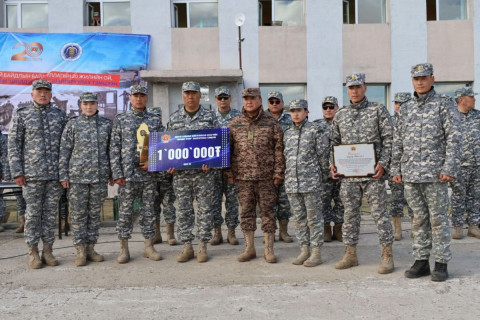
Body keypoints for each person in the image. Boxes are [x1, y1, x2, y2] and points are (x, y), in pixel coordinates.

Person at [391, 63, 462, 282]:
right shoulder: (406, 108)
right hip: (411, 174)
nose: (420, 82)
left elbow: (454, 137)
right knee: (418, 219)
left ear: (432, 78)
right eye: (416, 78)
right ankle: (421, 261)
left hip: (435, 174)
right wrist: (396, 168)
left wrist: (449, 168)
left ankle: (441, 262)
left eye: (424, 77)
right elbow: (398, 140)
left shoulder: (444, 104)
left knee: (438, 219)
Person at [330, 72, 394, 274]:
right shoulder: (341, 114)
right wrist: (333, 164)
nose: (355, 91)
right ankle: (350, 254)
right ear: (346, 89)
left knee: (379, 214)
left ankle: (387, 255)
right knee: (349, 215)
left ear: (364, 87)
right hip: (348, 177)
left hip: (372, 175)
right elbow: (333, 142)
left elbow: (389, 139)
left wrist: (383, 163)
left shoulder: (378, 110)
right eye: (351, 87)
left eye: (358, 87)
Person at [8, 80, 67, 269]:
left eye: (46, 92)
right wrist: (17, 171)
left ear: (51, 94)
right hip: (31, 175)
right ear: (32, 94)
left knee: (50, 215)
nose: (43, 95)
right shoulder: (22, 115)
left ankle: (48, 251)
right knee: (33, 214)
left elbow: (66, 147)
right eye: (39, 91)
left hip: (54, 175)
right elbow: (14, 145)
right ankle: (33, 252)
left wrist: (64, 173)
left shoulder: (59, 116)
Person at [225, 88, 285, 263]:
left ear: (260, 100)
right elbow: (227, 151)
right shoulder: (234, 123)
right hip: (243, 177)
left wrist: (278, 172)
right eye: (246, 98)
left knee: (268, 213)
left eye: (252, 98)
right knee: (246, 213)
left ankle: (268, 249)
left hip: (266, 177)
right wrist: (229, 172)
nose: (249, 101)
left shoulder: (272, 123)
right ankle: (249, 248)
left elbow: (279, 150)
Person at [110, 84, 164, 264]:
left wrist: (153, 163)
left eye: (142, 95)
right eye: (135, 96)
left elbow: (162, 146)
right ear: (130, 98)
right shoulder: (121, 119)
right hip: (127, 175)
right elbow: (114, 147)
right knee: (125, 212)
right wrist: (117, 173)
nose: (139, 99)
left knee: (148, 211)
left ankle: (149, 246)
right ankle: (123, 248)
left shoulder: (155, 120)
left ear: (146, 98)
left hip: (148, 175)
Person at [166, 81, 219, 263]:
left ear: (199, 95)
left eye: (194, 93)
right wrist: (169, 163)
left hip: (204, 174)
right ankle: (187, 246)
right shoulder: (174, 118)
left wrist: (212, 161)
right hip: (181, 175)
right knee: (184, 210)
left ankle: (203, 246)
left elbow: (219, 143)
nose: (190, 96)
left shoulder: (211, 117)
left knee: (205, 209)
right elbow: (168, 145)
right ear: (182, 95)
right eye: (187, 93)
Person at [59, 92, 112, 267]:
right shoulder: (72, 125)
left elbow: (111, 152)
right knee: (79, 215)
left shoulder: (106, 125)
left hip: (99, 177)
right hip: (77, 178)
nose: (89, 107)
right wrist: (64, 175)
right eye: (85, 103)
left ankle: (91, 248)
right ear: (80, 105)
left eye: (92, 103)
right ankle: (80, 250)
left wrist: (112, 174)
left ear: (97, 105)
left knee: (94, 215)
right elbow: (65, 151)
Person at [284, 99, 327, 267]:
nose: (295, 113)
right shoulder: (287, 133)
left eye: (299, 110)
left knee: (314, 218)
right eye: (292, 111)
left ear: (307, 112)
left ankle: (316, 252)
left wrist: (320, 178)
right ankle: (304, 249)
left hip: (311, 182)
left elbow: (323, 156)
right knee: (300, 218)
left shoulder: (316, 130)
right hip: (292, 183)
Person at [210, 86, 241, 246]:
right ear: (215, 100)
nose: (222, 100)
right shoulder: (209, 117)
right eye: (219, 98)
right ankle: (217, 232)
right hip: (213, 167)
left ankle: (231, 232)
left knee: (232, 201)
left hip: (232, 165)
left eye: (225, 97)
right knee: (214, 200)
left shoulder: (238, 117)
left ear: (230, 99)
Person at [449, 87, 480, 240]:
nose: (474, 100)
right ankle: (457, 227)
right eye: (471, 97)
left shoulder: (478, 116)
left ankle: (474, 226)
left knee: (476, 196)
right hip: (459, 164)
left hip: (477, 163)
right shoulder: (451, 116)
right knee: (458, 196)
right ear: (462, 99)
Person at [314, 96, 344, 242]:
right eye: (325, 107)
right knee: (323, 201)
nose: (328, 110)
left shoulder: (345, 124)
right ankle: (326, 228)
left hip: (342, 171)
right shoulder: (316, 126)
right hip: (323, 172)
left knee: (341, 201)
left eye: (331, 107)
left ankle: (338, 228)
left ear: (337, 108)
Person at [266, 91, 293, 243]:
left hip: (287, 166)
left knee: (284, 201)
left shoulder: (290, 119)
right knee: (268, 202)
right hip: (267, 167)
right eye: (272, 102)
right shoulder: (261, 119)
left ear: (282, 103)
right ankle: (270, 233)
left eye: (277, 102)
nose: (274, 104)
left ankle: (284, 231)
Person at [149, 107, 177, 246]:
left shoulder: (169, 134)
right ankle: (157, 234)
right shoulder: (146, 137)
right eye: (153, 116)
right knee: (154, 206)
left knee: (168, 205)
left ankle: (170, 235)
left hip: (167, 177)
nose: (156, 119)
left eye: (158, 116)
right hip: (152, 178)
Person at [388, 92, 414, 241]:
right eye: (397, 103)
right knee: (396, 199)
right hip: (395, 167)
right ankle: (397, 229)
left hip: (412, 166)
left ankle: (414, 228)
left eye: (402, 103)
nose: (398, 106)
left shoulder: (414, 120)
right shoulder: (389, 121)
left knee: (413, 199)